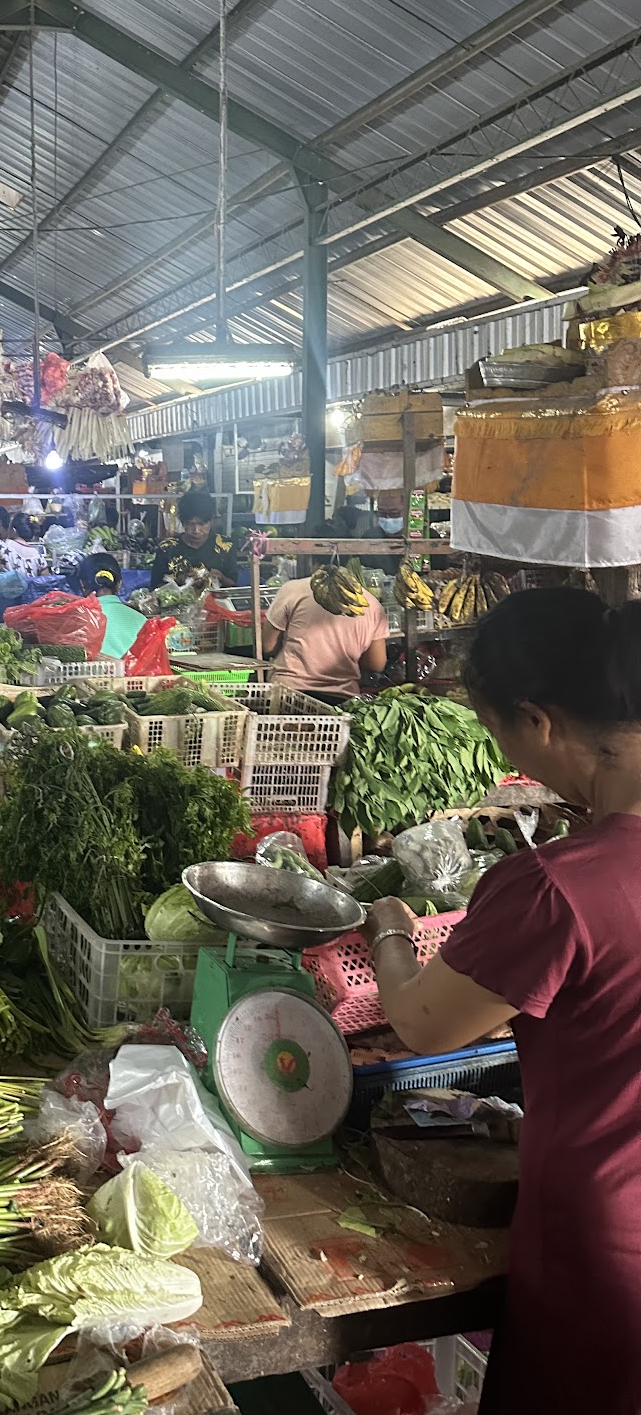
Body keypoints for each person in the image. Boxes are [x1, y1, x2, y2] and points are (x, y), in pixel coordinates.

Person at [361, 588, 641, 1412]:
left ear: (537, 720)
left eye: (498, 732)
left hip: (608, 1248)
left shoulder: (557, 888)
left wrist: (391, 929)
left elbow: (417, 1025)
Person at [261, 570, 388, 703]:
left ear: (314, 564)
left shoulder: (292, 589)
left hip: (288, 693)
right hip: (341, 699)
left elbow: (268, 646)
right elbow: (376, 664)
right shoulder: (371, 603)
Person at [149, 492, 237, 588]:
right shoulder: (167, 547)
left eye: (202, 524)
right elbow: (155, 587)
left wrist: (221, 578)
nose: (196, 531)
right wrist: (178, 582)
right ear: (182, 522)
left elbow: (233, 585)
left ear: (212, 521)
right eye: (190, 524)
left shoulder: (226, 546)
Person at [75, 552, 146, 660]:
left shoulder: (74, 620)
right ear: (119, 584)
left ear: (82, 584)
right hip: (134, 677)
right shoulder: (142, 620)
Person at [0, 513, 46, 578]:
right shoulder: (37, 555)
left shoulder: (0, 546)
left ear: (13, 530)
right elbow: (46, 581)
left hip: (6, 588)